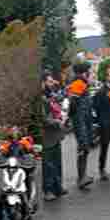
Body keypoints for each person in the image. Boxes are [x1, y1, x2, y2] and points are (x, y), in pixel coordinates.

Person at [68, 61, 94, 190]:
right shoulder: (78, 84)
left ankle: (83, 176)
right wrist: (76, 120)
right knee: (83, 147)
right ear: (84, 72)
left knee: (85, 148)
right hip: (80, 121)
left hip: (84, 120)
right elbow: (73, 103)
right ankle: (81, 178)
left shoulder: (83, 83)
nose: (90, 73)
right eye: (89, 71)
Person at [43, 72, 68, 200]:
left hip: (55, 136)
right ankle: (48, 190)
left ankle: (58, 187)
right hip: (46, 137)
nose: (52, 84)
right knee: (48, 165)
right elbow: (44, 119)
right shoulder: (42, 99)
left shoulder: (51, 95)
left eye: (52, 81)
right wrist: (57, 121)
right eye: (49, 81)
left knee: (57, 163)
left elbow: (61, 97)